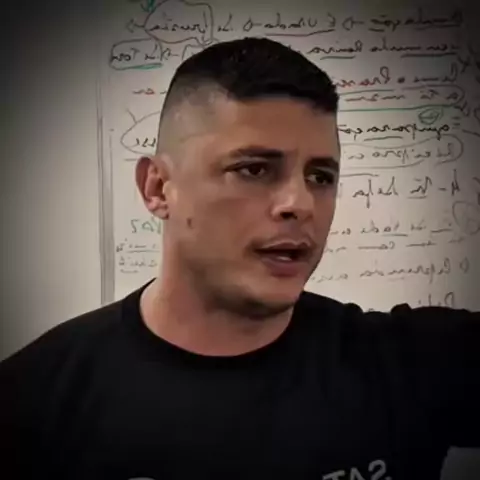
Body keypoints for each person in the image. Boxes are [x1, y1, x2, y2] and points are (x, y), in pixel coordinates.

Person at [0, 37, 479, 480]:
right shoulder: (32, 400)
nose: (300, 204)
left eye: (320, 176)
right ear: (157, 188)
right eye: (253, 169)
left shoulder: (411, 364)